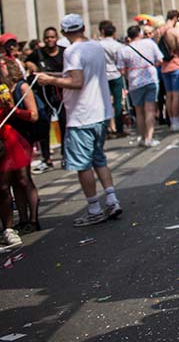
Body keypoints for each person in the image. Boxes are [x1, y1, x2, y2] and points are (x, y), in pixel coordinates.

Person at [35, 14, 122, 226]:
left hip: (82, 115)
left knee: (83, 165)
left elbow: (76, 81)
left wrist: (50, 80)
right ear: (83, 27)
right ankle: (112, 199)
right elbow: (80, 72)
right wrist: (56, 73)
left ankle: (94, 208)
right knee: (99, 159)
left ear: (63, 32)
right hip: (100, 113)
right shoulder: (95, 47)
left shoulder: (72, 51)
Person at [1, 58, 37, 247]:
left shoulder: (20, 88)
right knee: (14, 182)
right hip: (9, 136)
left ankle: (32, 220)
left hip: (18, 138)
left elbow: (34, 115)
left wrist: (12, 109)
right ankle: (22, 221)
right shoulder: (5, 88)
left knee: (22, 180)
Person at [116, 24, 163, 148]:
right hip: (150, 79)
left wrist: (129, 71)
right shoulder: (149, 43)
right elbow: (160, 60)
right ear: (140, 34)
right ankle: (150, 138)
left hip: (134, 82)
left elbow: (121, 70)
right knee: (150, 110)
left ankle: (142, 137)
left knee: (139, 112)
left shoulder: (124, 50)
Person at [26, 26, 63, 168]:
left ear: (56, 38)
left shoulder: (63, 52)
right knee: (44, 125)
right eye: (47, 37)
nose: (50, 40)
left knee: (64, 123)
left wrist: (52, 77)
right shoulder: (38, 53)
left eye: (52, 37)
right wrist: (31, 65)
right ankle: (47, 158)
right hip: (44, 94)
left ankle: (66, 155)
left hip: (60, 93)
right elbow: (27, 61)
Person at [156, 10, 179, 132]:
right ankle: (175, 121)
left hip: (164, 67)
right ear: (175, 18)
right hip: (176, 65)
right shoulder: (174, 32)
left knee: (168, 95)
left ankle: (171, 121)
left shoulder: (158, 31)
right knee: (176, 95)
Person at [96, 21, 127, 139]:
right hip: (115, 74)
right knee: (118, 102)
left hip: (103, 75)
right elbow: (120, 61)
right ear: (113, 33)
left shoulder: (98, 45)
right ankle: (119, 129)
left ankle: (107, 129)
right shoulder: (118, 45)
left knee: (104, 103)